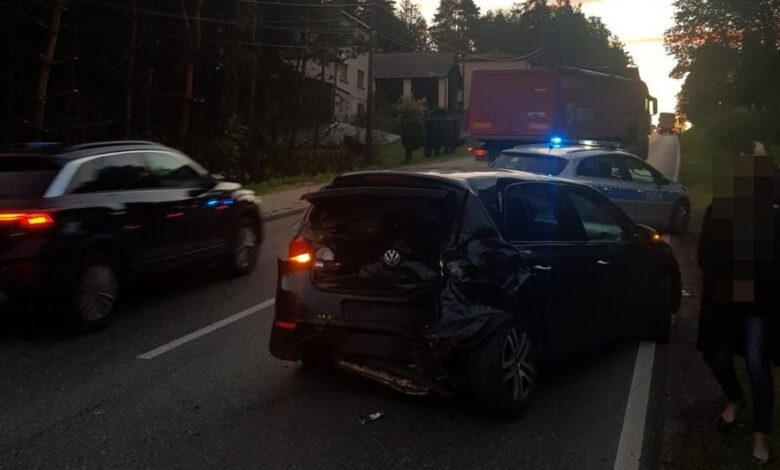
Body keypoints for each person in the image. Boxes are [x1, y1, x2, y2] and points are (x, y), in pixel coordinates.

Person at [697, 145, 779, 465]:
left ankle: (760, 435)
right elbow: (704, 255)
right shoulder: (718, 210)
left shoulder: (772, 215)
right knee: (716, 356)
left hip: (759, 302)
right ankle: (734, 398)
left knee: (758, 365)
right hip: (723, 299)